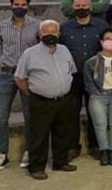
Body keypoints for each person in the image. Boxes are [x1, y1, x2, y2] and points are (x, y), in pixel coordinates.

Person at [14, 20, 77, 180]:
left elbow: (71, 70)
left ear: (58, 34)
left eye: (53, 31)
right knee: (39, 135)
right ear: (40, 34)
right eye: (46, 31)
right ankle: (36, 167)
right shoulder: (30, 53)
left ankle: (60, 162)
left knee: (62, 132)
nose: (50, 34)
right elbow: (19, 78)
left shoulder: (64, 50)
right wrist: (35, 92)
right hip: (41, 101)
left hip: (63, 100)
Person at [58, 0, 109, 160]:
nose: (81, 7)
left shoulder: (102, 26)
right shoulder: (64, 28)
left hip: (95, 77)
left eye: (84, 5)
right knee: (71, 113)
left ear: (91, 7)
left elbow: (109, 48)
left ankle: (95, 145)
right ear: (73, 8)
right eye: (78, 5)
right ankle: (73, 146)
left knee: (96, 112)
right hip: (72, 77)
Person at [0, 0, 40, 171]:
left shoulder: (37, 25)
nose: (19, 6)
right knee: (0, 116)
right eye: (16, 4)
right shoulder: (0, 26)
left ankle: (29, 151)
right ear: (11, 5)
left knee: (30, 116)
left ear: (28, 6)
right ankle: (3, 153)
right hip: (7, 74)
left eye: (23, 4)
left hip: (28, 75)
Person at [83, 27, 112, 167]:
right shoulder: (91, 61)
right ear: (102, 41)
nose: (110, 42)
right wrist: (93, 92)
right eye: (107, 39)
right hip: (98, 96)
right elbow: (88, 79)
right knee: (100, 125)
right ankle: (103, 151)